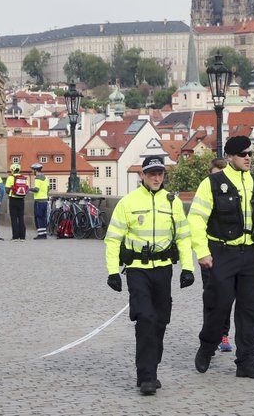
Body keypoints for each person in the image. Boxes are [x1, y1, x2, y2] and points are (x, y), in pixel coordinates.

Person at [188, 136, 254, 379]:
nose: (248, 158)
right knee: (218, 306)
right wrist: (202, 251)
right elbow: (196, 218)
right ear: (230, 157)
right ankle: (207, 346)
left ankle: (246, 362)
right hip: (222, 253)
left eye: (250, 154)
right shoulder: (212, 183)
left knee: (252, 308)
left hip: (252, 254)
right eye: (243, 154)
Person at [104, 156, 195, 395]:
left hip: (164, 268)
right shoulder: (128, 202)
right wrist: (113, 271)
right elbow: (113, 239)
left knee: (160, 320)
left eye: (160, 173)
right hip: (137, 270)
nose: (156, 178)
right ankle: (146, 376)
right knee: (145, 318)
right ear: (142, 176)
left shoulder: (172, 202)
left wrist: (188, 268)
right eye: (151, 173)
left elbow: (184, 237)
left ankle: (151, 367)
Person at [203, 157, 234, 353]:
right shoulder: (205, 193)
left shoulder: (232, 196)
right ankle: (209, 337)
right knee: (210, 296)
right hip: (209, 252)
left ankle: (223, 334)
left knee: (227, 296)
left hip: (229, 253)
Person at [5, 163, 29, 241]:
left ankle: (15, 236)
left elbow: (7, 190)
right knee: (21, 218)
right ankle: (22, 236)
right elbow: (27, 189)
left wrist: (12, 192)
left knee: (14, 218)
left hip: (13, 199)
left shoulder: (10, 178)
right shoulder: (24, 178)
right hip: (21, 199)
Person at [30, 163, 49, 240]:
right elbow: (48, 189)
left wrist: (29, 189)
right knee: (44, 217)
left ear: (35, 170)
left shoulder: (37, 179)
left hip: (39, 200)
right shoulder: (46, 178)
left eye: (33, 170)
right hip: (45, 199)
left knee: (39, 217)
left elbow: (36, 189)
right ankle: (44, 233)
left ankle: (41, 234)